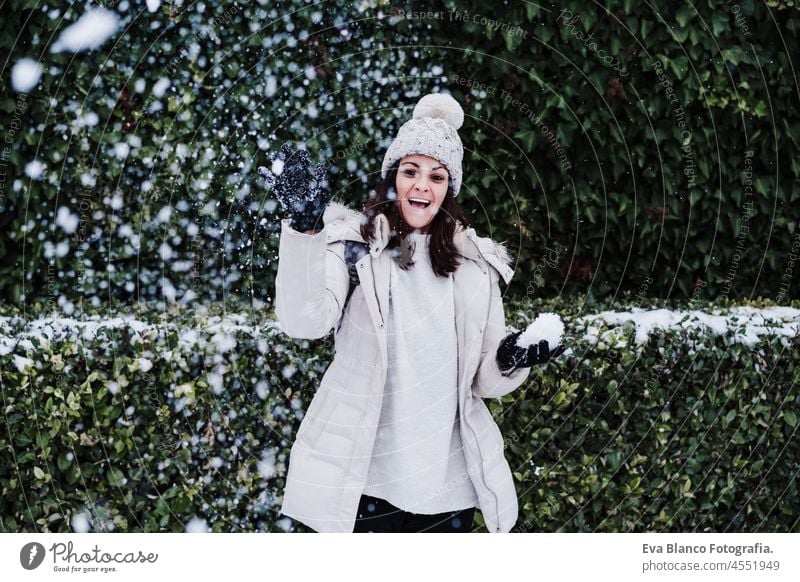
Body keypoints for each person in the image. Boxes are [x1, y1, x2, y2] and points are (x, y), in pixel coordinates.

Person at [270, 93, 564, 533]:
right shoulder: (355, 246)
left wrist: (512, 357)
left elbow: (481, 379)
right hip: (365, 479)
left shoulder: (474, 266)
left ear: (450, 188)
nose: (422, 186)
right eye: (410, 172)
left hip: (445, 490)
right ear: (393, 179)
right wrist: (306, 229)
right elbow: (305, 321)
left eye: (436, 176)